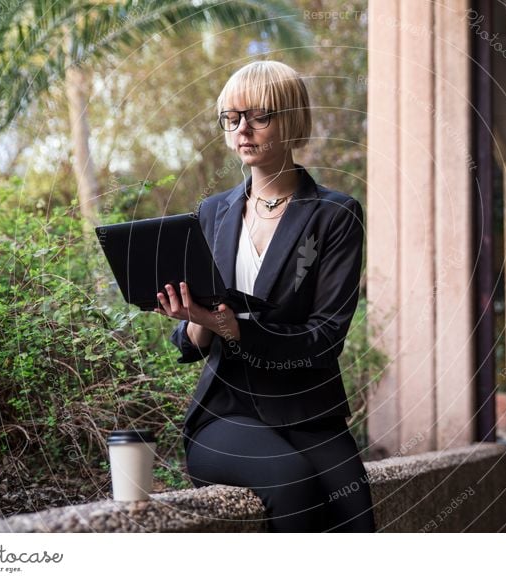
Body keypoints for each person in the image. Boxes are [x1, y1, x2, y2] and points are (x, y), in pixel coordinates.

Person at [154, 60, 375, 533]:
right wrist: (195, 318)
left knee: (355, 516)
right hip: (224, 411)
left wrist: (235, 327)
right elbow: (188, 342)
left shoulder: (335, 215)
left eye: (258, 117)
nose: (241, 130)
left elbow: (326, 335)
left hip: (308, 412)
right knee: (293, 485)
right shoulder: (212, 213)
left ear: (291, 118)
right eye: (231, 119)